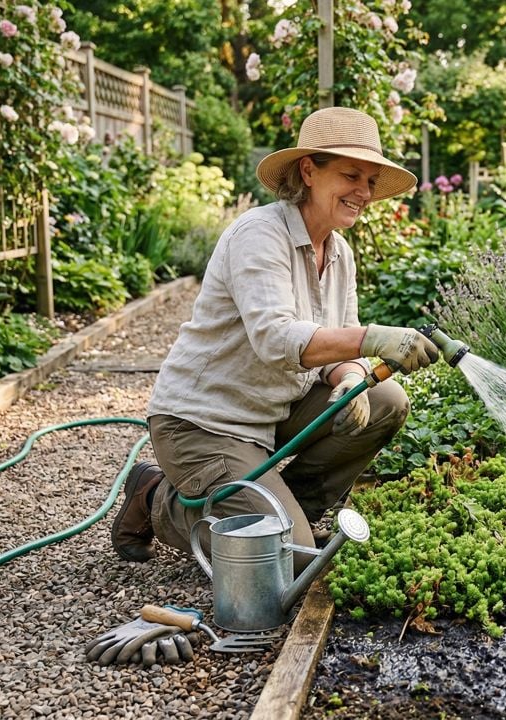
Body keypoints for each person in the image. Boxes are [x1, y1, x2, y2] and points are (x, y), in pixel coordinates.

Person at [110, 107, 439, 570]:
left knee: (383, 398)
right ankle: (155, 499)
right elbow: (274, 337)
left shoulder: (340, 253)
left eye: (370, 181)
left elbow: (334, 348)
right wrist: (371, 340)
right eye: (351, 175)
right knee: (280, 560)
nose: (363, 193)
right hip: (205, 423)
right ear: (308, 170)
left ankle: (288, 516)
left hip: (271, 411)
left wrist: (349, 378)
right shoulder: (259, 235)